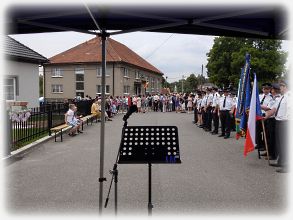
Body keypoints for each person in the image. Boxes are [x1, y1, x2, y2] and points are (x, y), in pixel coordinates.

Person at [264, 80, 290, 173]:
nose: (280, 88)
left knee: (285, 145)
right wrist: (266, 116)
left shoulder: (289, 97)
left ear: (285, 87)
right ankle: (281, 161)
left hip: (286, 123)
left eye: (281, 86)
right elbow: (274, 109)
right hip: (278, 122)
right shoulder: (280, 98)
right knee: (279, 144)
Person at [256, 83, 273, 151]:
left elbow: (268, 108)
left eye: (267, 89)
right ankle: (259, 144)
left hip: (265, 115)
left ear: (270, 89)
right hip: (258, 114)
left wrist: (259, 106)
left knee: (265, 131)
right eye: (264, 89)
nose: (265, 90)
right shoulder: (259, 96)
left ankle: (265, 146)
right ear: (262, 89)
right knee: (258, 131)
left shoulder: (271, 97)